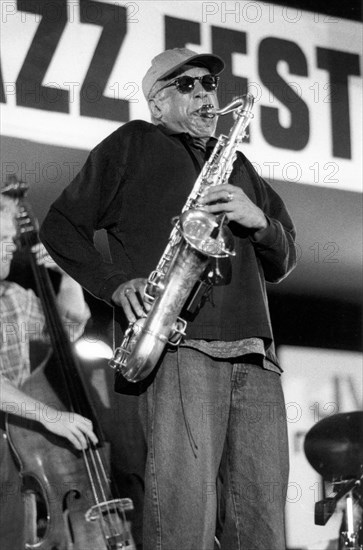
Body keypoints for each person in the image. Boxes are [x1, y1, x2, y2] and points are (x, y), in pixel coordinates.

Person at [40, 48, 297, 550]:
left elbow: (285, 261)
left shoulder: (238, 164)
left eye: (209, 85)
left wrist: (260, 221)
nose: (205, 94)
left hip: (255, 354)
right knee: (184, 518)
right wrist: (115, 283)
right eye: (187, 86)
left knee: (263, 522)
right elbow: (60, 227)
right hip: (180, 346)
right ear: (156, 104)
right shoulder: (133, 143)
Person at [0, 193, 98, 549]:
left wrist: (68, 276)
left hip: (15, 462)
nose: (12, 247)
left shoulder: (13, 297)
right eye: (2, 240)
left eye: (11, 238)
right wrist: (48, 415)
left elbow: (68, 328)